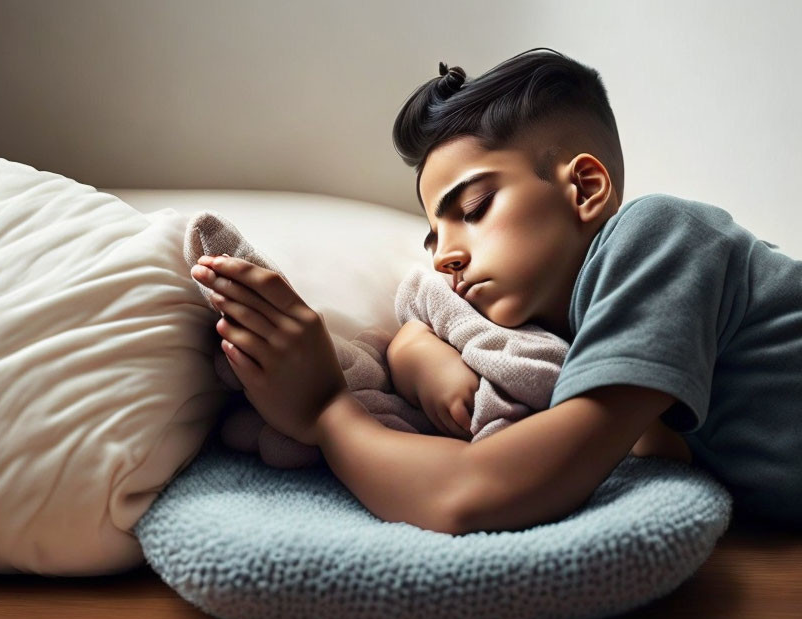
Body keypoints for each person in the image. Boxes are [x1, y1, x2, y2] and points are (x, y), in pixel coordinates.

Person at [190, 48, 801, 534]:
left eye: (475, 208)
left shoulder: (661, 235)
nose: (447, 256)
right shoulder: (567, 332)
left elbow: (478, 491)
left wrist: (328, 412)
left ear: (585, 187)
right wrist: (412, 350)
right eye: (433, 237)